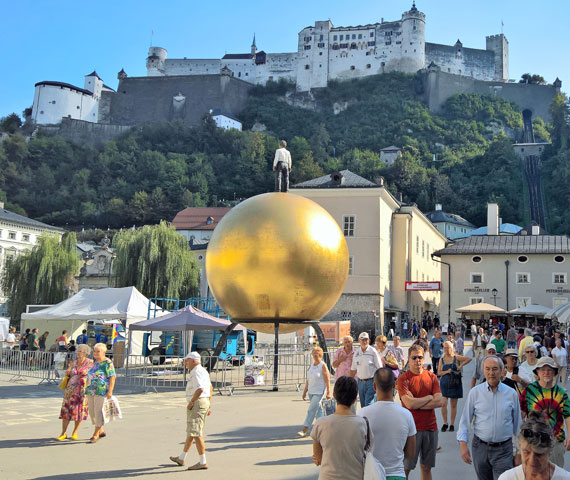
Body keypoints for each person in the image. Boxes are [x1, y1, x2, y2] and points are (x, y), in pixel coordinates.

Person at [458, 355, 522, 480]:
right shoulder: (475, 393)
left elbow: (518, 424)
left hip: (504, 450)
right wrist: (463, 445)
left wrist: (519, 452)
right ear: (483, 371)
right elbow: (465, 420)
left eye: (495, 369)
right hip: (480, 448)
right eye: (487, 369)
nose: (491, 373)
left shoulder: (511, 394)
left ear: (501, 371)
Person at [358, 368, 416, 480]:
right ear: (395, 385)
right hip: (397, 474)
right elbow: (410, 453)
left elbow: (357, 448)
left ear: (374, 386)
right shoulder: (406, 415)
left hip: (370, 474)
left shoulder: (362, 414)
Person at [397, 344, 443, 480]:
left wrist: (416, 403)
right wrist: (429, 397)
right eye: (414, 357)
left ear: (424, 358)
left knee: (426, 467)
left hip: (430, 428)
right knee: (406, 467)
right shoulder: (403, 379)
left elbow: (439, 401)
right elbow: (409, 403)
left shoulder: (432, 377)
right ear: (409, 359)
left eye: (420, 357)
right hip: (411, 431)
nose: (418, 360)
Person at [311, 376, 368, 479]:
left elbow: (318, 459)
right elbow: (368, 450)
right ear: (355, 399)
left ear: (334, 395)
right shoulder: (363, 423)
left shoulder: (321, 424)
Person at [520, 356, 570, 468]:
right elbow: (522, 414)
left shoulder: (561, 393)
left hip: (555, 441)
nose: (546, 372)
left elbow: (567, 415)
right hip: (534, 441)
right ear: (537, 372)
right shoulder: (529, 391)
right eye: (543, 369)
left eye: (549, 370)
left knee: (555, 475)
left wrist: (569, 436)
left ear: (554, 372)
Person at [169, 352, 212, 470]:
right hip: (203, 402)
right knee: (192, 432)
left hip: (198, 402)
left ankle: (203, 461)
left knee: (196, 433)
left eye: (187, 360)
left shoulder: (196, 372)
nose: (185, 363)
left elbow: (200, 389)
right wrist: (208, 404)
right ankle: (182, 457)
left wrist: (192, 402)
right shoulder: (203, 371)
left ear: (194, 361)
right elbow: (210, 388)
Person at [498, 411, 570, 480]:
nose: (532, 460)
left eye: (538, 454)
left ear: (549, 452)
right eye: (527, 452)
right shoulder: (507, 478)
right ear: (520, 448)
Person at [57, 344, 93, 440]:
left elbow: (92, 374)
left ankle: (75, 432)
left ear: (86, 353)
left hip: (81, 390)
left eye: (81, 351)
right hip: (70, 390)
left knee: (78, 412)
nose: (79, 353)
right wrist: (67, 372)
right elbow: (68, 371)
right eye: (78, 351)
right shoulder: (73, 362)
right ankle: (63, 433)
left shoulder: (90, 362)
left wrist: (86, 373)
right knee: (66, 412)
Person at [85, 342, 116, 443]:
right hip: (91, 390)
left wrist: (110, 391)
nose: (95, 353)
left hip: (101, 391)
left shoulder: (107, 362)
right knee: (92, 412)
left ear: (104, 352)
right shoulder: (95, 362)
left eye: (98, 351)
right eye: (94, 351)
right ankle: (101, 430)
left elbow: (112, 376)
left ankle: (95, 434)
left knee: (98, 412)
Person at [438, 340, 471, 433]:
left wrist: (461, 366)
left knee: (453, 405)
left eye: (448, 347)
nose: (446, 349)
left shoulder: (456, 358)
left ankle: (452, 424)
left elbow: (468, 359)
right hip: (444, 383)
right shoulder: (442, 359)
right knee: (443, 404)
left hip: (455, 383)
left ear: (451, 348)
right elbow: (439, 372)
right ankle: (445, 423)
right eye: (445, 347)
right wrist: (446, 372)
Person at [298, 347, 332, 437]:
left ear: (320, 354)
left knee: (311, 410)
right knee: (318, 412)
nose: (315, 354)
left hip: (319, 391)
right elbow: (308, 380)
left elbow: (327, 379)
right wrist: (304, 391)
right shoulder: (312, 365)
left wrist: (329, 392)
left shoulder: (322, 365)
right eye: (314, 352)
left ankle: (305, 429)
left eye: (317, 352)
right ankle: (324, 430)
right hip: (311, 391)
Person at [350, 332, 382, 408]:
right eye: (362, 339)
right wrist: (348, 382)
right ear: (359, 340)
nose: (364, 341)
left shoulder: (373, 351)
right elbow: (353, 369)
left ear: (369, 340)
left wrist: (380, 383)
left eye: (366, 340)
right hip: (360, 382)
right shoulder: (356, 353)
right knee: (363, 405)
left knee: (368, 404)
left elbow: (380, 368)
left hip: (371, 382)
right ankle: (366, 420)